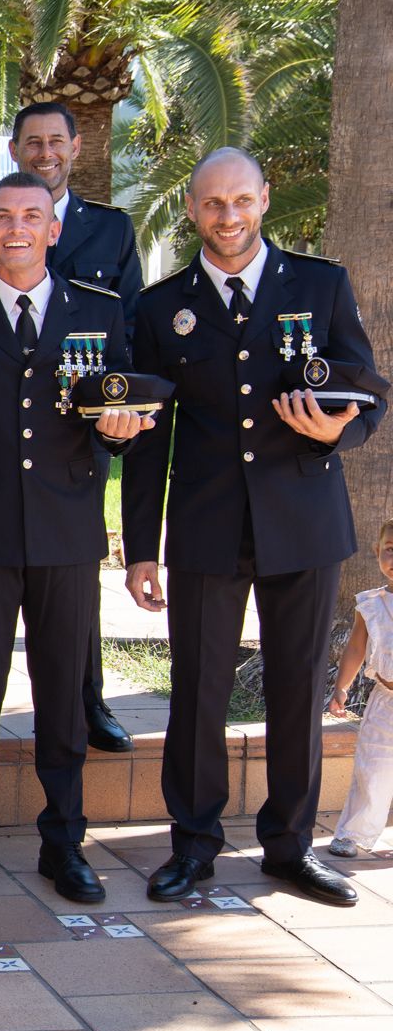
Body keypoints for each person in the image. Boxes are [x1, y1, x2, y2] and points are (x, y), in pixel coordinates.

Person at [123, 147, 379, 908]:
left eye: (240, 200)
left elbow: (368, 389)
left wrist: (339, 435)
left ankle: (290, 846)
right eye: (211, 203)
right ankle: (192, 844)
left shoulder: (321, 284)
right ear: (192, 210)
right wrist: (141, 548)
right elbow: (146, 438)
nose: (227, 216)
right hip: (206, 525)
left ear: (265, 199)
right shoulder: (159, 306)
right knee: (197, 687)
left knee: (297, 686)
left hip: (302, 521)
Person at [0, 173, 153, 906]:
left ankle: (64, 843)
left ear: (54, 230)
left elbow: (125, 411)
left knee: (63, 701)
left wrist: (122, 429)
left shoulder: (100, 312)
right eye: (1, 217)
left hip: (67, 535)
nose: (15, 227)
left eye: (31, 216)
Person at [0, 102, 144, 755]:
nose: (45, 151)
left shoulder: (110, 231)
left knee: (68, 626)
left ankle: (92, 699)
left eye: (56, 141)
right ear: (15, 148)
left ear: (75, 147)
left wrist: (119, 420)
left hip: (72, 452)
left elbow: (126, 340)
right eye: (33, 142)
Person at [327, 520, 393, 857]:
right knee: (374, 766)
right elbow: (355, 648)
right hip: (385, 701)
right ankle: (354, 833)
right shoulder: (371, 603)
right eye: (390, 550)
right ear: (377, 552)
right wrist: (341, 688)